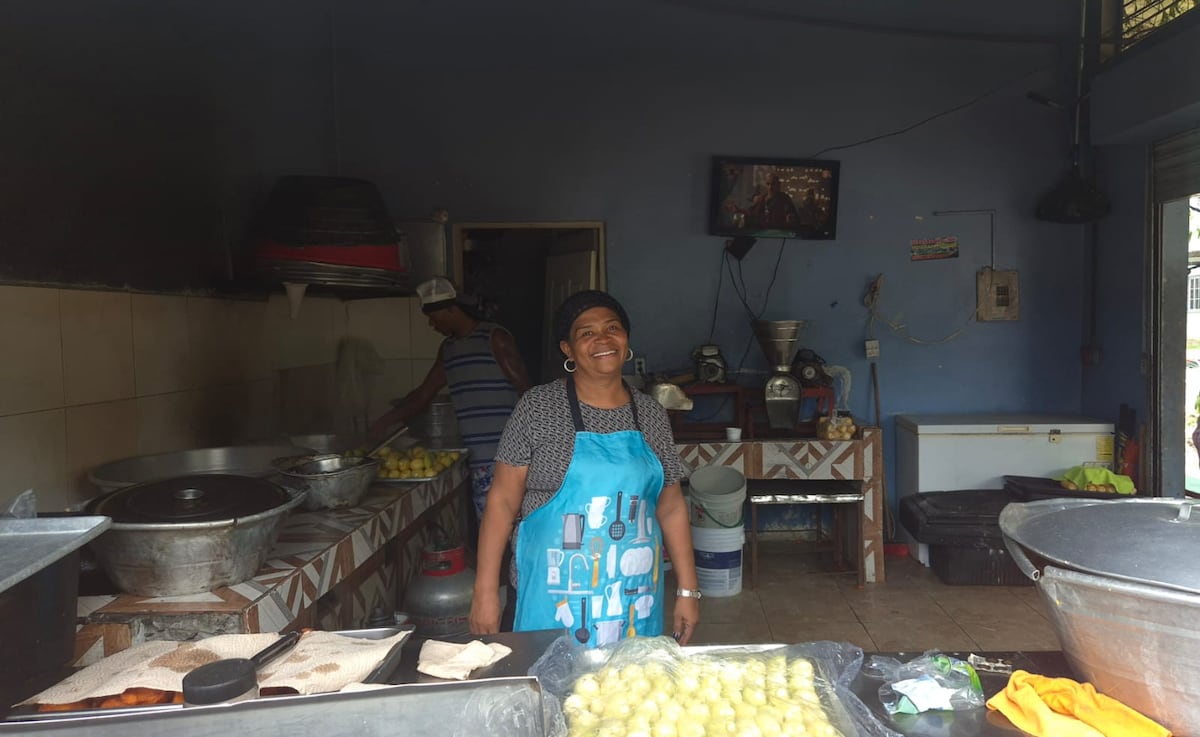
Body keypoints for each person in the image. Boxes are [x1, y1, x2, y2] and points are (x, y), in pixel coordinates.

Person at [469, 290, 701, 647]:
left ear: (626, 340)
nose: (603, 340)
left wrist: (688, 590)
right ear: (568, 349)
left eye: (612, 328)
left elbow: (669, 506)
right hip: (551, 598)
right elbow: (501, 501)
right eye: (586, 333)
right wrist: (486, 591)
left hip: (632, 597)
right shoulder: (538, 407)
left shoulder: (651, 414)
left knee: (628, 691)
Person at [368, 277, 530, 522]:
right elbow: (423, 396)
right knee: (494, 529)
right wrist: (383, 423)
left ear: (452, 309)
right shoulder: (449, 350)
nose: (432, 325)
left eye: (435, 317)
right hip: (480, 461)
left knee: (518, 530)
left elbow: (527, 392)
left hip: (511, 458)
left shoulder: (494, 338)